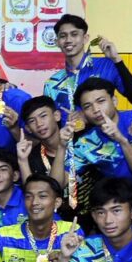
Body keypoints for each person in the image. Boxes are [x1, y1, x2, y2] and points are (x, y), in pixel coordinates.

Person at [72, 77, 132, 224]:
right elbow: (62, 179)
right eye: (87, 106)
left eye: (101, 101)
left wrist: (121, 139)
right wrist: (61, 144)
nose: (96, 110)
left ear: (114, 101)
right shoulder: (86, 143)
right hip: (121, 211)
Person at [43, 14, 132, 123]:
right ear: (57, 42)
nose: (68, 40)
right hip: (70, 134)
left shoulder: (106, 66)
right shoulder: (52, 84)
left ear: (85, 38)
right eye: (63, 36)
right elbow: (53, 124)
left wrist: (117, 60)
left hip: (107, 132)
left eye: (74, 34)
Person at [18, 96, 95, 228]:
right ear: (28, 128)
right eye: (32, 121)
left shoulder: (82, 140)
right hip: (62, 223)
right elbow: (36, 191)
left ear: (57, 116)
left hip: (97, 214)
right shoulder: (32, 156)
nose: (39, 124)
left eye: (43, 116)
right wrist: (22, 160)